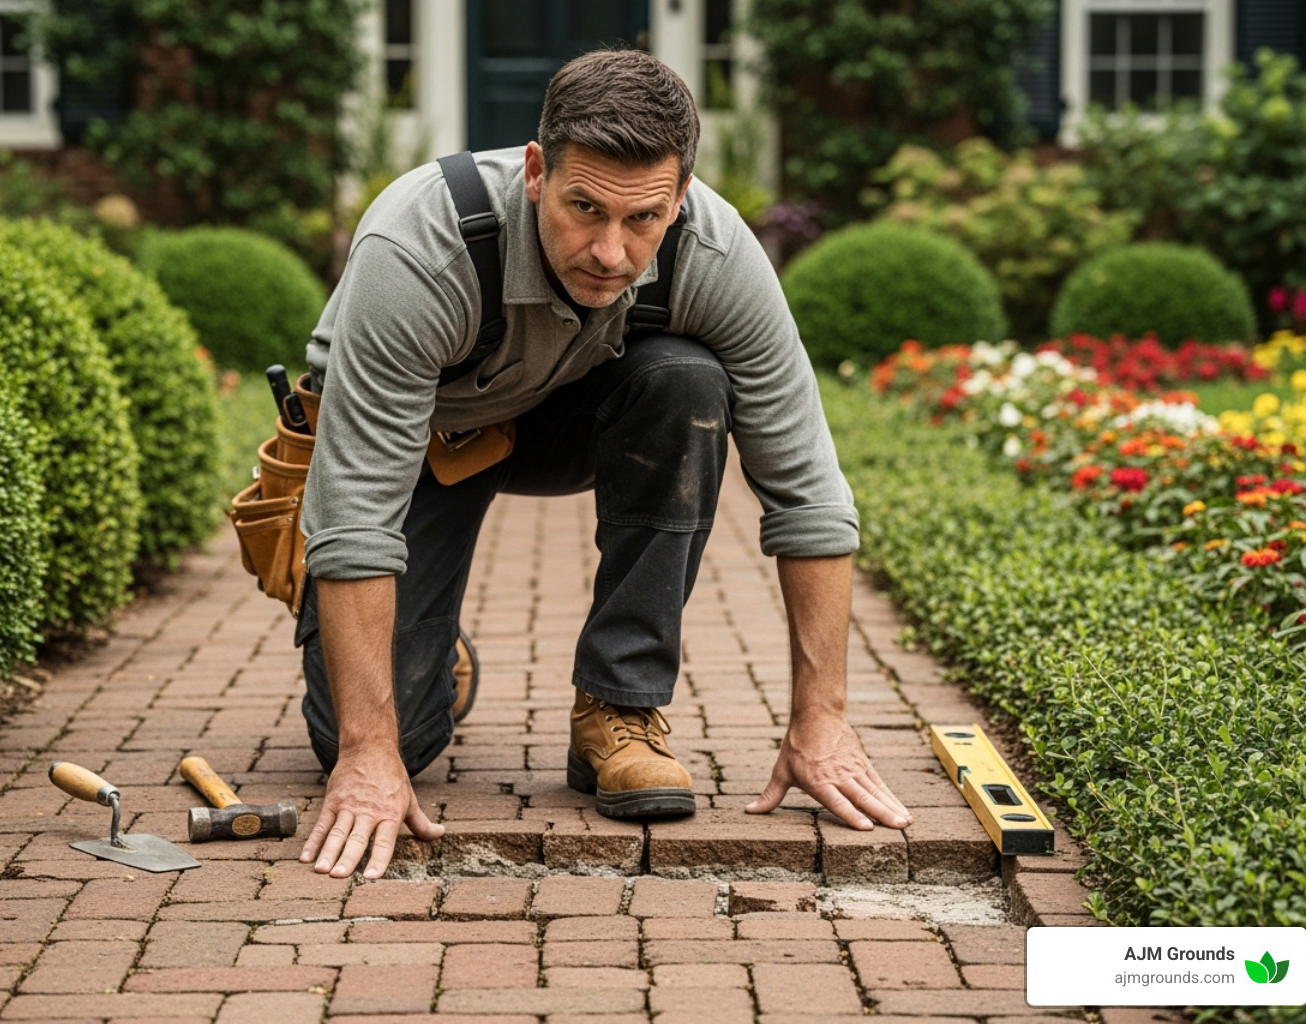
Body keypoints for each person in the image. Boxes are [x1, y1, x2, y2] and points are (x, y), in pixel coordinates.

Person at [294, 48, 912, 879]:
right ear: (537, 171)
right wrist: (370, 754)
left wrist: (823, 717)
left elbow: (808, 493)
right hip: (427, 439)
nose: (612, 253)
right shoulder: (421, 249)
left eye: (644, 219)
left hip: (577, 416)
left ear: (681, 195)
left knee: (688, 381)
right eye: (585, 207)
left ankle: (618, 709)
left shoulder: (714, 255)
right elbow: (356, 518)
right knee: (376, 732)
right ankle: (431, 655)